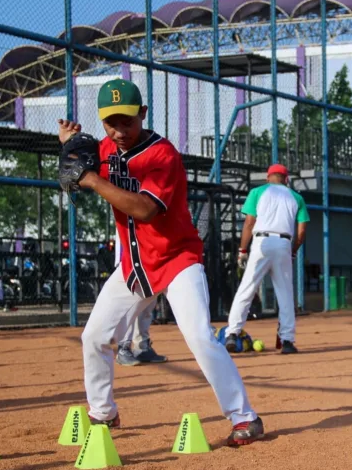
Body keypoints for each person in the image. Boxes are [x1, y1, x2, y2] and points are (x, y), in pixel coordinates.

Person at [57, 78, 263, 445]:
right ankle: (104, 414)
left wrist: (90, 179)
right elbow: (86, 156)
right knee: (94, 337)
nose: (119, 130)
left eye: (127, 121)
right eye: (111, 122)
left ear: (143, 115)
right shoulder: (105, 148)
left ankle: (244, 416)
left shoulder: (162, 155)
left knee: (200, 337)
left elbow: (146, 209)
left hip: (178, 260)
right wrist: (69, 144)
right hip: (135, 266)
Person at [224, 163, 309, 354]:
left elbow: (249, 223)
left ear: (268, 178)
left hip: (261, 243)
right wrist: (293, 250)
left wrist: (242, 250)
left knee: (247, 287)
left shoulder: (257, 192)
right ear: (286, 180)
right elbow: (302, 232)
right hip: (283, 243)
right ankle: (287, 341)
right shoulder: (297, 197)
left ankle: (232, 334)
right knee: (285, 293)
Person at [111, 230, 168, 366]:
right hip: (130, 250)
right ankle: (123, 347)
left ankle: (142, 346)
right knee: (130, 303)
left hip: (149, 251)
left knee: (148, 302)